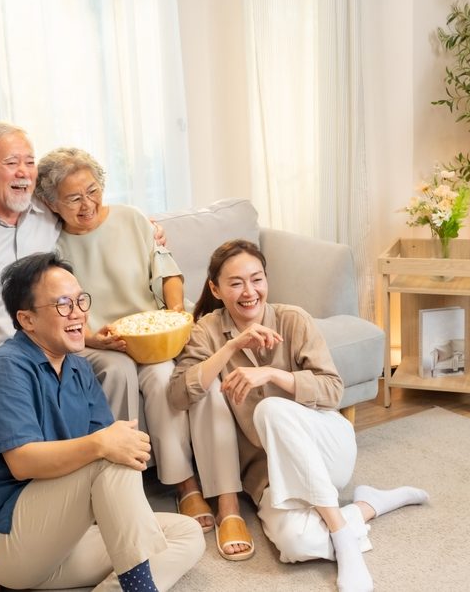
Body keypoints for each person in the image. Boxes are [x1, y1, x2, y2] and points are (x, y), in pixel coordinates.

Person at [0, 122, 160, 591]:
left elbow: (86, 209)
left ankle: (107, 507)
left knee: (116, 368)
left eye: (30, 162)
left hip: (48, 345)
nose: (24, 172)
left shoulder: (43, 214)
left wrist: (145, 232)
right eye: (11, 163)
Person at [169, 240, 429, 592]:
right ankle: (369, 505)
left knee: (271, 408)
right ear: (215, 289)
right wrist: (231, 347)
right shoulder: (208, 331)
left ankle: (341, 533)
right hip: (268, 474)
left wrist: (273, 375)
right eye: (236, 283)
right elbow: (178, 393)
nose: (249, 292)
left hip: (327, 449)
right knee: (296, 544)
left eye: (257, 279)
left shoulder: (293, 320)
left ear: (266, 279)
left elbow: (333, 390)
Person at [34, 147, 252, 560]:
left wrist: (174, 313)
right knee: (121, 369)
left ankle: (186, 485)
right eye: (73, 198)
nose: (87, 204)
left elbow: (167, 271)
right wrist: (92, 338)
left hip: (154, 335)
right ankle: (163, 487)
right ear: (50, 204)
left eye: (92, 191)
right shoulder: (51, 246)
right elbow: (60, 309)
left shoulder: (132, 219)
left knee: (162, 377)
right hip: (101, 339)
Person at [0, 251, 203, 591]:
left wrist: (112, 445)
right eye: (63, 304)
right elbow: (22, 462)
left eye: (79, 301)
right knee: (111, 455)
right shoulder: (6, 368)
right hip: (10, 539)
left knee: (186, 533)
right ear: (27, 320)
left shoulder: (78, 367)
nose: (78, 313)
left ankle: (128, 584)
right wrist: (104, 444)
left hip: (64, 540)